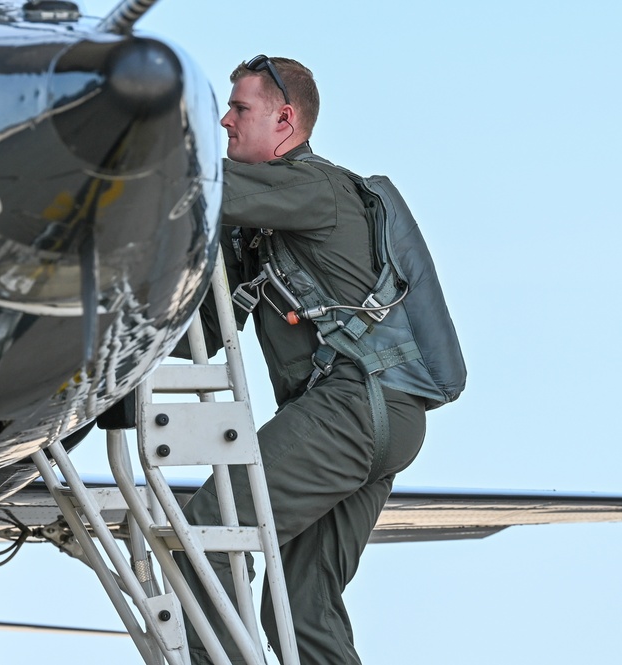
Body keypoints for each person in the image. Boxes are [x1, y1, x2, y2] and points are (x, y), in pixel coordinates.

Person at [175, 56, 429, 664]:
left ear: (285, 119)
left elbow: (200, 189)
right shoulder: (255, 229)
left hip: (352, 407)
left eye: (240, 109)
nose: (226, 122)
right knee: (302, 605)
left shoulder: (318, 187)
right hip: (380, 418)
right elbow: (206, 331)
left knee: (206, 534)